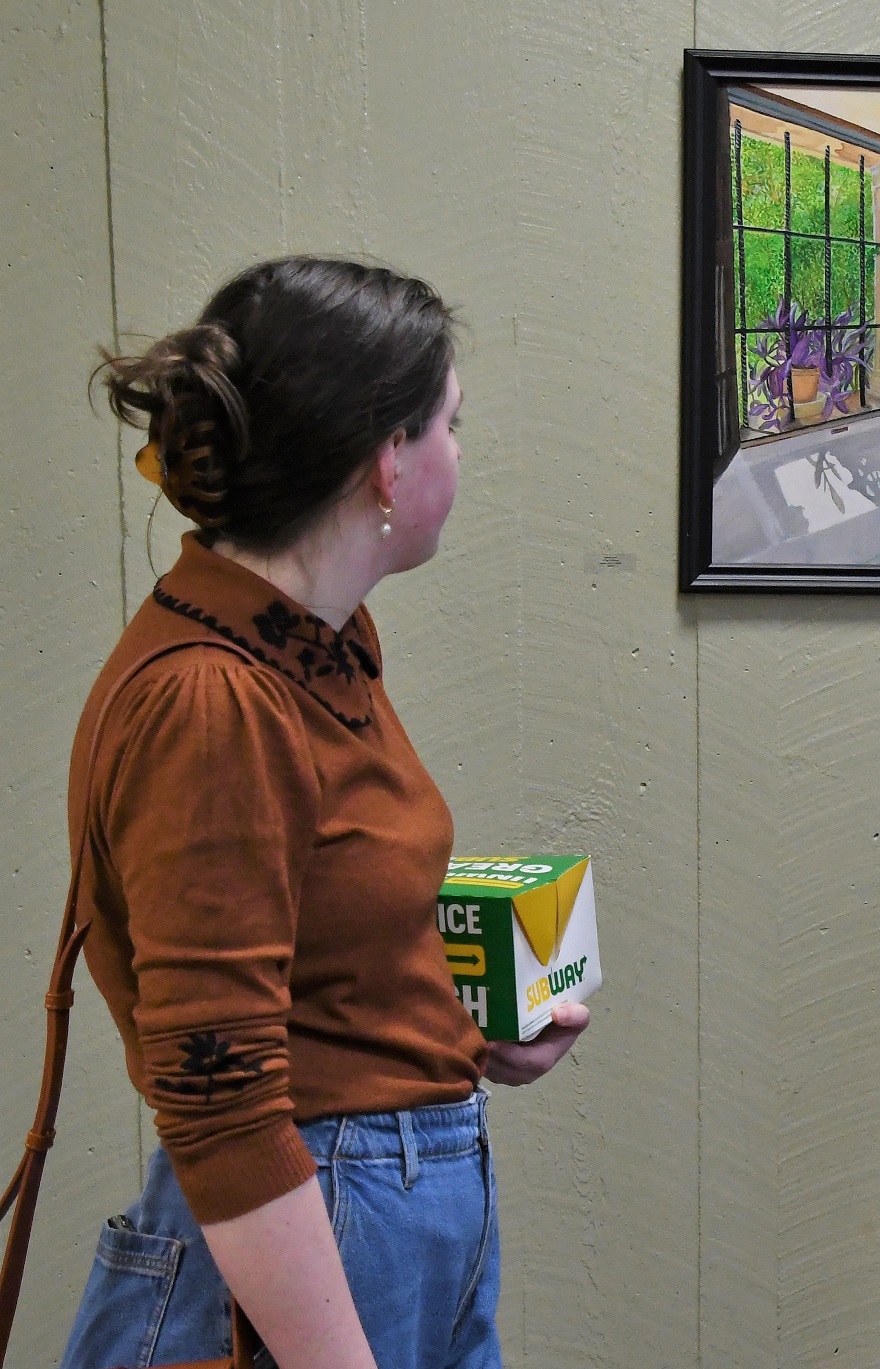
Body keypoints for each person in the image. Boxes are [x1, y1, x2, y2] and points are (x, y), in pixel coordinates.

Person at [60, 256, 587, 1369]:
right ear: (388, 463)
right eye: (449, 425)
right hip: (319, 1229)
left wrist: (455, 1031)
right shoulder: (214, 700)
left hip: (386, 1214)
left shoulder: (314, 647)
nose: (461, 454)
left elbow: (315, 954)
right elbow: (223, 1103)